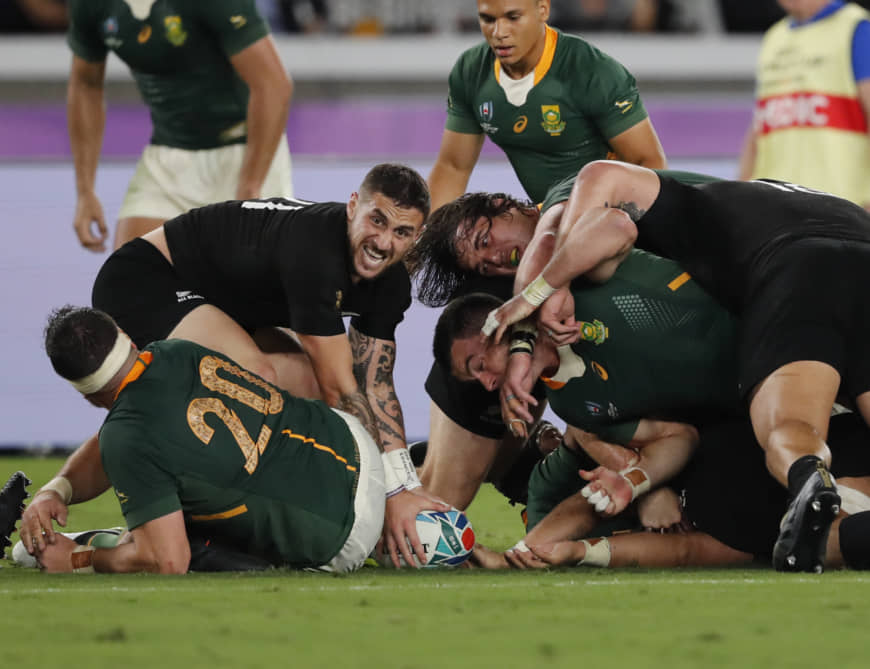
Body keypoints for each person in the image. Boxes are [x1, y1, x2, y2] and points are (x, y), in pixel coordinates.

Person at [485, 159, 870, 572]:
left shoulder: (653, 209)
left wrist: (542, 290)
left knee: (790, 424)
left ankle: (806, 474)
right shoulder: (745, 197)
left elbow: (598, 180)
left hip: (793, 269)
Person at [79, 163, 443, 567]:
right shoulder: (316, 254)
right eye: (377, 220)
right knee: (256, 376)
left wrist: (405, 487)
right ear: (352, 206)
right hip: (147, 280)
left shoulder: (390, 283)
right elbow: (341, 388)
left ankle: (263, 521)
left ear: (416, 237)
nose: (382, 242)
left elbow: (374, 384)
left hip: (219, 302)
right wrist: (388, 495)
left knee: (302, 382)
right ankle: (163, 526)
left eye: (401, 233)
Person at [407, 169, 719, 511]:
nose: (495, 259)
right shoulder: (501, 295)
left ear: (505, 206)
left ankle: (516, 464)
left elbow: (556, 236)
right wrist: (647, 487)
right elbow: (582, 410)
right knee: (441, 499)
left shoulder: (571, 204)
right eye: (483, 265)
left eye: (485, 240)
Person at [18, 306, 388, 574]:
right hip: (353, 442)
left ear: (85, 395)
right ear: (126, 339)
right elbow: (114, 439)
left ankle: (103, 542)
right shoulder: (174, 351)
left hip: (341, 534)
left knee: (171, 535)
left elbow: (168, 561)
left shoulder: (128, 436)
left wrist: (77, 561)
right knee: (187, 486)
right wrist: (58, 489)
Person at [473, 413, 870, 572]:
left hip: (763, 471)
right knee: (817, 538)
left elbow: (585, 430)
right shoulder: (549, 481)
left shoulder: (682, 444)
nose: (550, 435)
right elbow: (684, 548)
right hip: (762, 512)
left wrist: (643, 484)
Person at [67, 0, 294, 252]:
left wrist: (251, 185)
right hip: (168, 157)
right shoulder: (89, 5)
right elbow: (86, 84)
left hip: (246, 155)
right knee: (130, 276)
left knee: (252, 286)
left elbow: (274, 85)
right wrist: (85, 192)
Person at [427, 0, 667, 212]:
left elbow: (649, 165)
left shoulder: (591, 70)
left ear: (543, 9)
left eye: (513, 17)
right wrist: (426, 243)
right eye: (488, 19)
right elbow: (453, 167)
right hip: (548, 221)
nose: (499, 32)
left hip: (611, 220)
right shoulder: (471, 70)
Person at [738, 0, 870, 208]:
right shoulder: (775, 36)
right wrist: (739, 198)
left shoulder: (857, 28)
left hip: (842, 207)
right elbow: (760, 126)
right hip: (775, 207)